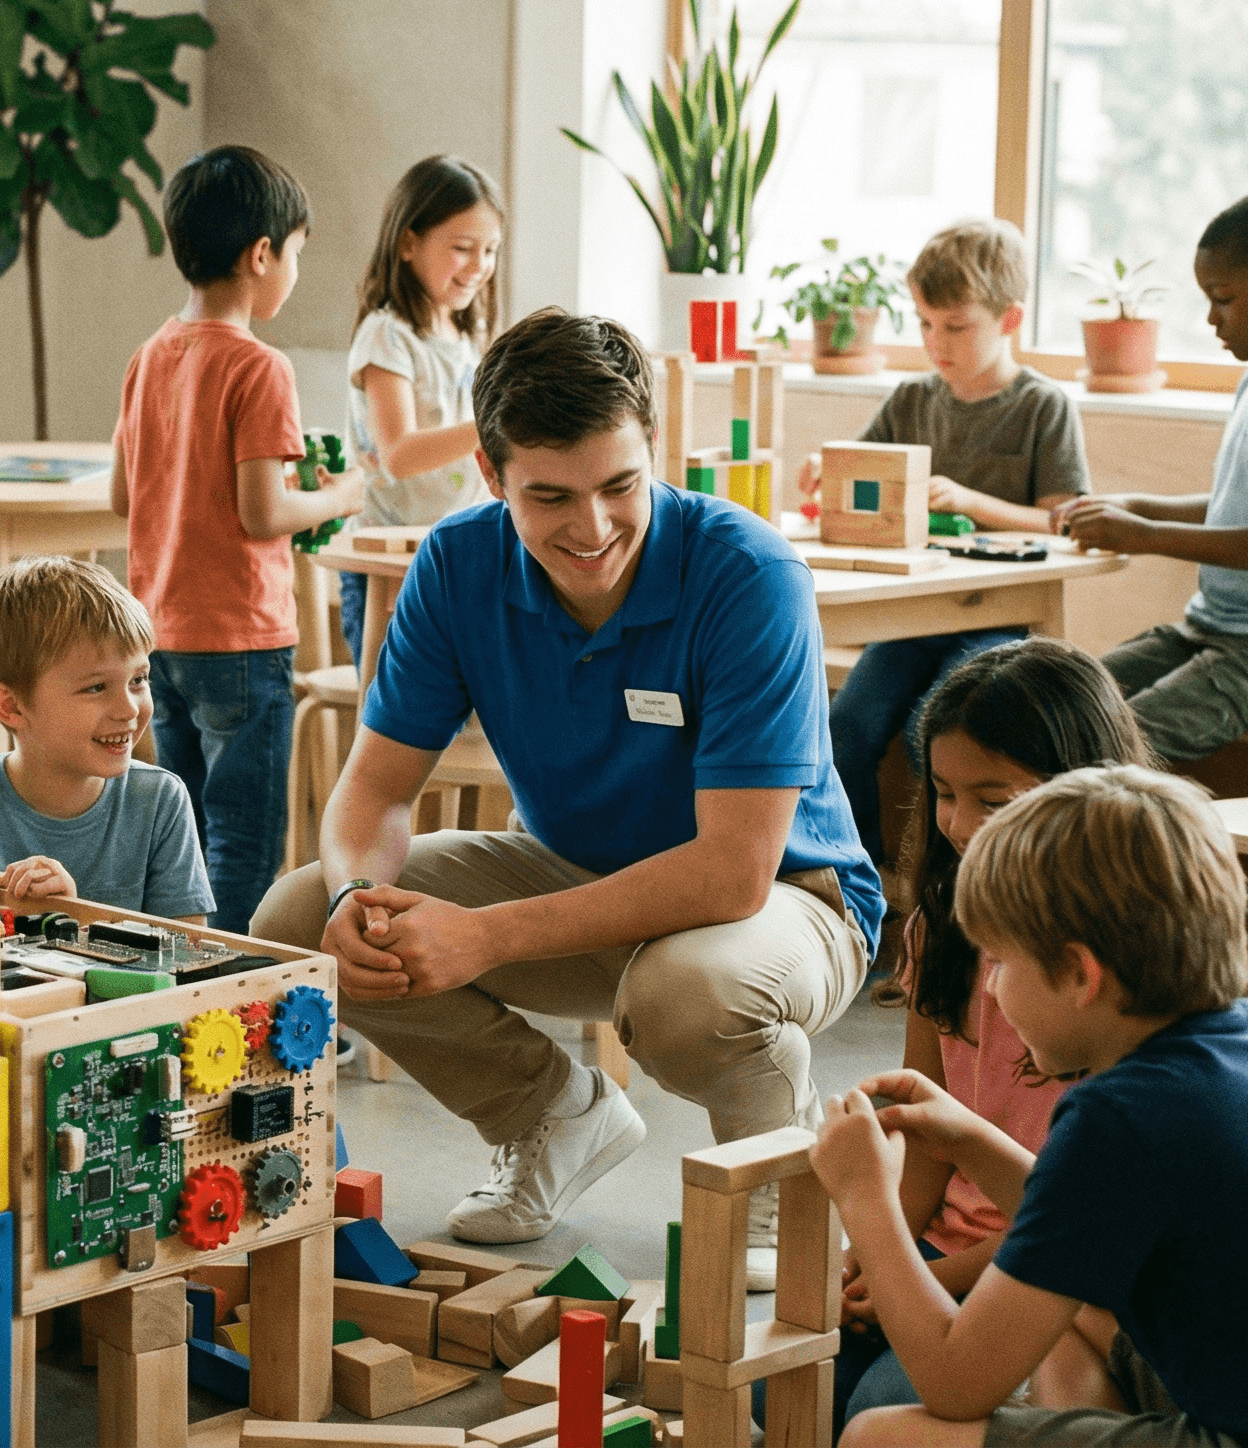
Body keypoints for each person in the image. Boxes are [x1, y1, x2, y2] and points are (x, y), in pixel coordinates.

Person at [254, 308, 879, 1281]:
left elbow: (731, 874)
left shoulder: (749, 576)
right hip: (586, 878)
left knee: (686, 990)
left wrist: (488, 936)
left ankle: (776, 1172)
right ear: (492, 476)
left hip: (791, 903)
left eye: (619, 487)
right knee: (300, 914)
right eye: (549, 497)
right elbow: (370, 794)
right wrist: (352, 902)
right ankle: (552, 1115)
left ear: (652, 454)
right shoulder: (456, 566)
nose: (591, 529)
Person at [812, 765, 1248, 1446]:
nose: (991, 991)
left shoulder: (1123, 1117)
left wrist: (866, 1196)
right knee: (1081, 1301)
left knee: (884, 1435)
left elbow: (955, 1383)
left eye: (1000, 963)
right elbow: (1085, 1217)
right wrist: (971, 1140)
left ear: (1081, 974)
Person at [830, 639, 1153, 1426]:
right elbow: (929, 1131)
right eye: (942, 793)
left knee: (875, 1414)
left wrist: (909, 1257)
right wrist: (879, 1259)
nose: (962, 824)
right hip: (978, 1248)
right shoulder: (942, 927)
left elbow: (1078, 1222)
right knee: (796, 1383)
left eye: (994, 801)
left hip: (1042, 1268)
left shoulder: (1118, 1007)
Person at [110, 145, 364, 933]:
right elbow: (262, 513)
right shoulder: (260, 368)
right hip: (243, 639)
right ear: (261, 254)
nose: (293, 270)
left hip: (159, 631)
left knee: (179, 835)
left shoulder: (150, 355)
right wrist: (340, 493)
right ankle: (237, 1001)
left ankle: (173, 983)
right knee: (244, 842)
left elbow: (122, 494)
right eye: (293, 254)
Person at [801, 218, 1089, 866]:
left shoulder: (1043, 405)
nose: (937, 342)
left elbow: (1063, 524)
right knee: (843, 727)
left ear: (1009, 319)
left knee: (933, 731)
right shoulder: (911, 398)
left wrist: (968, 501)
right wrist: (826, 471)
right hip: (909, 617)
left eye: (955, 326)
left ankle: (957, 901)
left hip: (1000, 619)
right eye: (925, 324)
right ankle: (856, 890)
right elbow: (859, 472)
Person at [1052, 191, 1248, 765]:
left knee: (1119, 748)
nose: (1210, 319)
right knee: (1058, 706)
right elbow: (1239, 507)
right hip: (1211, 630)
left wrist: (1145, 536)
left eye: (1224, 299)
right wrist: (1136, 506)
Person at [0, 556, 210, 920]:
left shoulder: (160, 800)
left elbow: (189, 956)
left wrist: (75, 916)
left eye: (138, 680)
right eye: (96, 687)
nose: (128, 709)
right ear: (11, 706)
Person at [336, 155, 504, 654]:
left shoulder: (464, 333)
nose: (479, 266)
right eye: (462, 248)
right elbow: (400, 454)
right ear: (408, 243)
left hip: (449, 555)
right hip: (387, 564)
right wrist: (494, 424)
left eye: (490, 250)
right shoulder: (386, 336)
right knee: (399, 711)